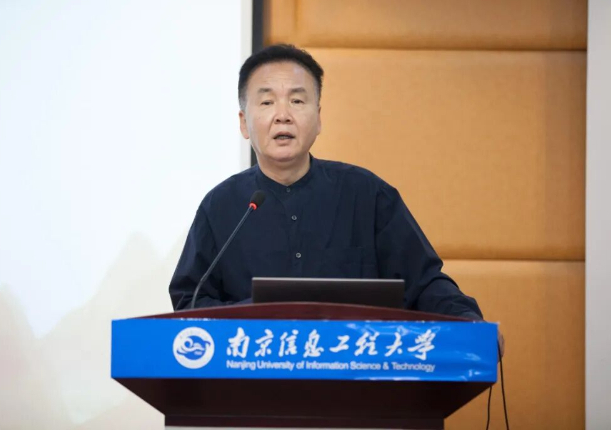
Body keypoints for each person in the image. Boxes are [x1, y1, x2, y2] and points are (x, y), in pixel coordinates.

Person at [169, 44, 483, 320]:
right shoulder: (220, 206)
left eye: (297, 101)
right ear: (244, 123)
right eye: (266, 103)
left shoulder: (368, 195)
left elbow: (424, 283)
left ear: (318, 118)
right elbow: (191, 302)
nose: (283, 115)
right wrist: (259, 314)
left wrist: (468, 321)